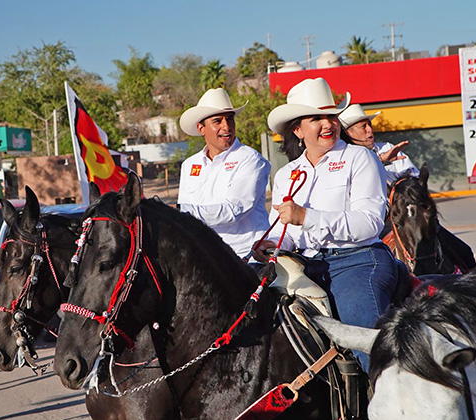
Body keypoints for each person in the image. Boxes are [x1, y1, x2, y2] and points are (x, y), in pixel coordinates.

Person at [255, 78, 397, 373]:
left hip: (358, 262)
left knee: (367, 340)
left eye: (331, 116)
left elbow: (369, 223)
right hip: (302, 266)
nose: (327, 124)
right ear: (297, 129)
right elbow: (286, 233)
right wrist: (273, 246)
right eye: (315, 118)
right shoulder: (287, 175)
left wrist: (306, 217)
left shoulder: (360, 158)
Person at [177, 88, 271, 261]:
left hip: (247, 258)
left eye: (230, 119)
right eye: (217, 121)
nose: (226, 126)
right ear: (201, 128)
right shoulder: (189, 165)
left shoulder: (250, 159)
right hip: (207, 258)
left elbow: (234, 210)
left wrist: (180, 212)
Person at [339, 104, 420, 183]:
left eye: (370, 124)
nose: (370, 129)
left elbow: (415, 177)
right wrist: (381, 160)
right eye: (363, 126)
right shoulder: (343, 158)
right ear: (348, 133)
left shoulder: (387, 148)